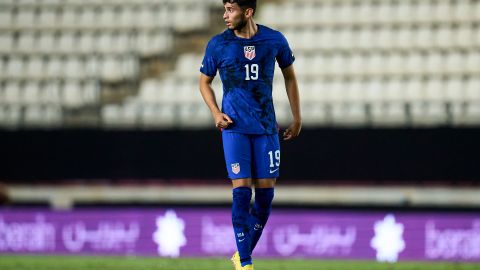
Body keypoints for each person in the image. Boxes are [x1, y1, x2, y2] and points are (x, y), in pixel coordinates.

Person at [199, 0, 301, 269]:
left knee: (265, 200)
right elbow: (204, 81)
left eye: (230, 10)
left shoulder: (274, 40)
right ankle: (245, 263)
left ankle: (239, 254)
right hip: (234, 129)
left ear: (248, 12)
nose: (224, 15)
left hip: (266, 128)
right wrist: (214, 112)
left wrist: (297, 116)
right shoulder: (218, 44)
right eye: (224, 9)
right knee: (242, 195)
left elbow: (290, 76)